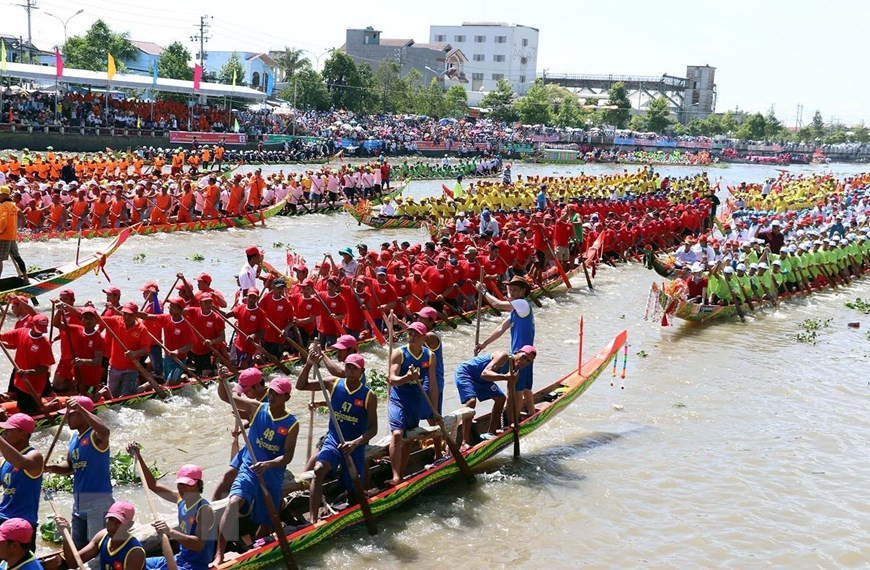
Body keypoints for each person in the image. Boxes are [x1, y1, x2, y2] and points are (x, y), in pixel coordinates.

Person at [213, 376, 298, 566]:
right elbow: (226, 396)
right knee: (233, 502)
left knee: (267, 520)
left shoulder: (292, 423)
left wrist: (268, 464)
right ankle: (219, 554)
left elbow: (287, 457)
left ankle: (260, 547)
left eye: (277, 394)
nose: (272, 396)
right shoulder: (257, 407)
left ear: (286, 398)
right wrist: (221, 381)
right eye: (271, 392)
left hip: (272, 474)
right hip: (250, 470)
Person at [296, 351, 377, 523]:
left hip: (354, 445)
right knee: (318, 470)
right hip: (333, 440)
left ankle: (353, 500)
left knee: (353, 488)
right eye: (347, 366)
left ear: (362, 371)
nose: (350, 370)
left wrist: (355, 443)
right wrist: (309, 363)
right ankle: (313, 519)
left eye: (354, 368)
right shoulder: (333, 383)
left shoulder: (369, 395)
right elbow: (301, 386)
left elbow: (373, 429)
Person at [128, 444, 215, 570]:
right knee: (137, 562)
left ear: (198, 485)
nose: (182, 488)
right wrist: (138, 456)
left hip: (195, 566)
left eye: (187, 485)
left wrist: (171, 532)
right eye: (180, 484)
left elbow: (199, 545)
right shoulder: (180, 499)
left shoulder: (204, 510)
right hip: (180, 558)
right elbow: (153, 485)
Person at [44, 397, 113, 549]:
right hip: (79, 500)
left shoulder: (95, 436)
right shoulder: (75, 438)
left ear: (83, 415)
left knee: (96, 547)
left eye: (71, 414)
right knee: (78, 546)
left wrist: (81, 409)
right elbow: (70, 466)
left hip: (98, 499)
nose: (66, 418)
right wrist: (50, 467)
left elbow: (105, 431)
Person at [474, 275, 536, 416]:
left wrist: (483, 292)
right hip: (523, 355)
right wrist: (483, 344)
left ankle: (514, 421)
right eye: (510, 289)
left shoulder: (522, 304)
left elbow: (496, 304)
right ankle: (532, 414)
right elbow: (500, 329)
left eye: (515, 290)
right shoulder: (516, 311)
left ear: (522, 292)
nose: (512, 292)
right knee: (525, 387)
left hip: (522, 356)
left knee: (517, 390)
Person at [454, 346, 537, 448]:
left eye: (528, 361)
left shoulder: (515, 371)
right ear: (518, 352)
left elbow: (511, 395)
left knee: (501, 399)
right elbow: (485, 374)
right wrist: (505, 377)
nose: (524, 362)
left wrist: (513, 422)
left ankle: (491, 432)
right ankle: (465, 442)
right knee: (471, 401)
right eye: (523, 357)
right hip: (467, 374)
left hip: (483, 381)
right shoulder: (503, 356)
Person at [386, 322, 436, 486]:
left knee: (408, 438)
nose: (412, 337)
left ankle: (401, 473)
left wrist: (434, 411)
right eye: (410, 334)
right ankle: (395, 476)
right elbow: (392, 379)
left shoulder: (429, 356)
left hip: (415, 400)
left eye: (416, 334)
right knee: (398, 435)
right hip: (398, 398)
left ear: (423, 338)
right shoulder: (399, 353)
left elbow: (433, 385)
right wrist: (407, 378)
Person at [212, 368, 267, 501]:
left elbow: (227, 397)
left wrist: (248, 414)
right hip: (251, 446)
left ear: (258, 386)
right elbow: (227, 397)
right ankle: (211, 511)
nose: (246, 394)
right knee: (227, 477)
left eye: (247, 390)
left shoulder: (269, 400)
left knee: (236, 480)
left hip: (263, 451)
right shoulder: (257, 397)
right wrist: (221, 381)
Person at [54, 501, 145, 570]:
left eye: (119, 523)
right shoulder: (102, 536)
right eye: (111, 520)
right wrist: (66, 536)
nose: (112, 526)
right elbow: (73, 563)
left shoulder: (135, 553)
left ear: (130, 525)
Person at [0, 315, 54, 414]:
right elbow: (3, 337)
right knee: (21, 406)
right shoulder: (21, 332)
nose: (41, 331)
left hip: (33, 385)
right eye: (39, 328)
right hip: (20, 381)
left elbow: (44, 369)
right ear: (32, 325)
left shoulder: (45, 344)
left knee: (30, 410)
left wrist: (27, 372)